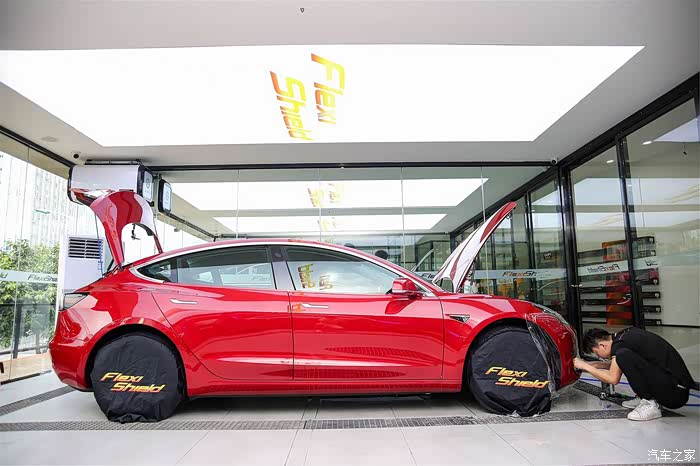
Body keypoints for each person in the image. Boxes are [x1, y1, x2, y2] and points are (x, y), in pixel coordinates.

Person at [574, 327, 695, 421]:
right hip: (675, 387)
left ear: (602, 345)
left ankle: (650, 403)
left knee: (623, 356)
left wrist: (585, 366)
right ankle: (646, 398)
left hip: (674, 395)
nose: (599, 356)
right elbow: (624, 364)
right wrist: (597, 364)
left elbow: (612, 378)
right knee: (623, 356)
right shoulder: (624, 336)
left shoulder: (619, 347)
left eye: (596, 353)